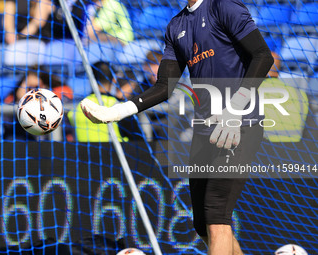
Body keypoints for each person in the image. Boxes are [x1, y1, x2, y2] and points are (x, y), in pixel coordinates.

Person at [80, 0, 274, 254]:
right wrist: (116, 111)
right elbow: (165, 86)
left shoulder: (223, 6)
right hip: (206, 129)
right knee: (203, 225)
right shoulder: (176, 25)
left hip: (240, 124)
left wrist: (235, 108)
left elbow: (263, 56)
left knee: (216, 217)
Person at [4, 66, 74, 141]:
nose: (32, 92)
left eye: (36, 87)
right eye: (29, 88)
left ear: (45, 86)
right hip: (24, 143)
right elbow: (8, 125)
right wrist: (20, 102)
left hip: (52, 143)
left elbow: (66, 126)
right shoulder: (14, 100)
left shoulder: (58, 99)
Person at [67, 62, 127, 142]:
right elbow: (139, 140)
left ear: (91, 80)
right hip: (116, 153)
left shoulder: (77, 108)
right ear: (114, 79)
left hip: (85, 153)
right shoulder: (121, 107)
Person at [260, 52, 309, 142]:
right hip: (294, 148)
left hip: (263, 146)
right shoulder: (300, 93)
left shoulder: (251, 91)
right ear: (278, 70)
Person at [3, 0, 86, 44]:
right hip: (18, 37)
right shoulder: (13, 2)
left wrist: (20, 37)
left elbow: (37, 22)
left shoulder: (43, 2)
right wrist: (11, 34)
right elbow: (8, 18)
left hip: (39, 37)